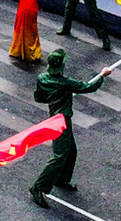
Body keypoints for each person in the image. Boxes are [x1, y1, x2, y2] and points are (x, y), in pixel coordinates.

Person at [29, 49, 114, 206]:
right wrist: (103, 75)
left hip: (54, 116)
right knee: (60, 156)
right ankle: (38, 187)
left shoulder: (42, 79)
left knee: (71, 151)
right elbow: (89, 87)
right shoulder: (65, 83)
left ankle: (62, 178)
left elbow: (39, 97)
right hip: (62, 121)